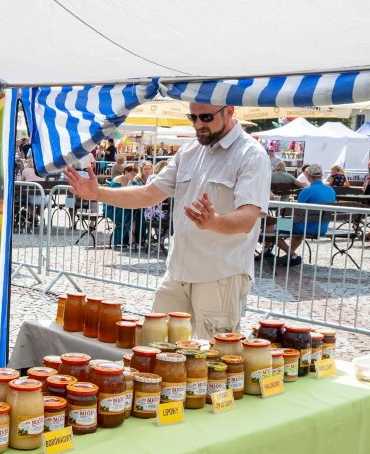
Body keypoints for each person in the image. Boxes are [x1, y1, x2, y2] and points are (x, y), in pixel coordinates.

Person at [65, 103, 271, 339]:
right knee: (156, 347)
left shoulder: (250, 154)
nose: (198, 124)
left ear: (229, 111)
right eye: (192, 117)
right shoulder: (190, 150)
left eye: (205, 117)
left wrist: (214, 222)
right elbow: (148, 194)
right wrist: (98, 193)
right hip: (178, 271)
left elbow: (248, 218)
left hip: (219, 274)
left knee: (211, 362)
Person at [274, 164, 336, 266]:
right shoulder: (331, 190)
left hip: (306, 227)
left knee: (271, 227)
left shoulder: (306, 191)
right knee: (296, 228)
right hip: (322, 227)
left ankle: (292, 255)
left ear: (308, 175)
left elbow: (297, 212)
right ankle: (290, 256)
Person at [103, 164, 137, 246]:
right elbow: (115, 196)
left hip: (120, 206)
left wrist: (134, 181)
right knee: (125, 218)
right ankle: (117, 241)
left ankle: (123, 241)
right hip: (111, 207)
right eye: (131, 174)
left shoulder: (128, 180)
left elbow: (136, 189)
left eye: (134, 175)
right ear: (125, 172)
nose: (133, 176)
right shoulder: (118, 180)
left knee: (132, 214)